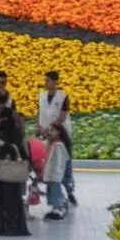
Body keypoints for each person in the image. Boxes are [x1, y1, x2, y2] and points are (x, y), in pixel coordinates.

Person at [0, 106, 30, 236]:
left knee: (9, 199)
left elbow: (14, 149)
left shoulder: (15, 132)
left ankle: (9, 226)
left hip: (8, 171)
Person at [36, 70, 75, 206]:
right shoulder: (41, 96)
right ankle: (53, 196)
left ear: (55, 82)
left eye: (48, 80)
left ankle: (69, 189)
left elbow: (62, 116)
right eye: (45, 80)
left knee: (64, 162)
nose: (45, 83)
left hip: (61, 135)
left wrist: (52, 128)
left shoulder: (63, 97)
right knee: (50, 164)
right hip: (47, 136)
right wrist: (40, 129)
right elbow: (39, 113)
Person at [42, 125, 71, 220]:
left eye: (52, 130)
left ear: (58, 132)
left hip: (55, 175)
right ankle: (54, 209)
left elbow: (59, 163)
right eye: (49, 130)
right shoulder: (52, 144)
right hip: (51, 175)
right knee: (51, 192)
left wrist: (56, 175)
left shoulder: (59, 146)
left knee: (56, 192)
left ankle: (59, 209)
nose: (49, 132)